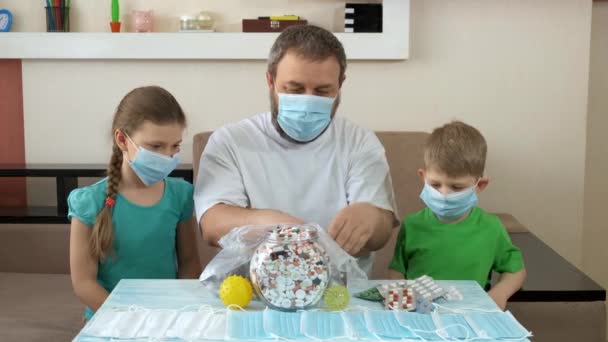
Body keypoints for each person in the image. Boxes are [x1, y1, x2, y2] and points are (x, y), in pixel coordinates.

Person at [194, 25, 398, 274]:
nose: (308, 101)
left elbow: (382, 232)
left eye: (322, 91)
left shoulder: (359, 142)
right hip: (251, 292)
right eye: (294, 89)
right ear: (270, 80)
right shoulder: (231, 141)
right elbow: (213, 225)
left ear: (340, 84)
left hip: (339, 294)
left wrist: (372, 218)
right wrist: (280, 226)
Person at [68, 86, 201, 319]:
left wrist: (174, 312)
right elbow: (84, 283)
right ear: (122, 139)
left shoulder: (180, 195)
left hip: (167, 317)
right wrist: (130, 319)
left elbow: (190, 263)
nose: (167, 156)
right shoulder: (89, 202)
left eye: (175, 146)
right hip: (110, 319)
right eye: (156, 146)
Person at [388, 121, 526, 310]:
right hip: (420, 317)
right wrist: (397, 297)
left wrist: (499, 294)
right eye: (435, 185)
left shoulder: (491, 228)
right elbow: (397, 270)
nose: (444, 194)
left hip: (471, 315)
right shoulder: (412, 225)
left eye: (457, 187)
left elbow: (515, 271)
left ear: (480, 185)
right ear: (423, 177)